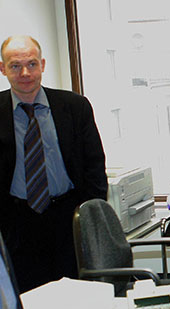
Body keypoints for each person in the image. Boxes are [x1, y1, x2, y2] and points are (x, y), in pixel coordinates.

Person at [0, 35, 108, 293]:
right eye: (15, 65)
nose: (25, 72)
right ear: (2, 68)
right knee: (29, 303)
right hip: (16, 225)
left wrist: (90, 218)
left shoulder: (74, 106)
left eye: (32, 64)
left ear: (43, 64)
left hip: (68, 219)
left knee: (77, 295)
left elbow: (95, 166)